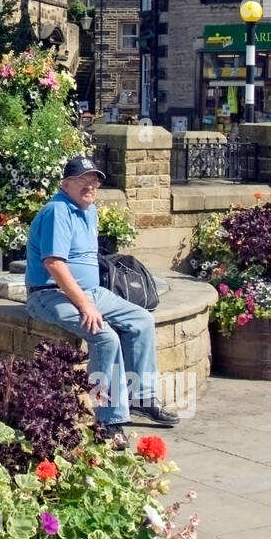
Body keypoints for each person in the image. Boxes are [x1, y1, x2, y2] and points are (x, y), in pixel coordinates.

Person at [25, 155, 178, 449]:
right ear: (66, 184)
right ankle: (108, 419)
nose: (91, 186)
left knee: (141, 320)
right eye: (83, 180)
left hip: (93, 292)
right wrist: (85, 305)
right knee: (105, 337)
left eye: (94, 181)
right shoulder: (58, 211)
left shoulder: (89, 211)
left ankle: (142, 397)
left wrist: (91, 298)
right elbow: (54, 265)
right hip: (48, 294)